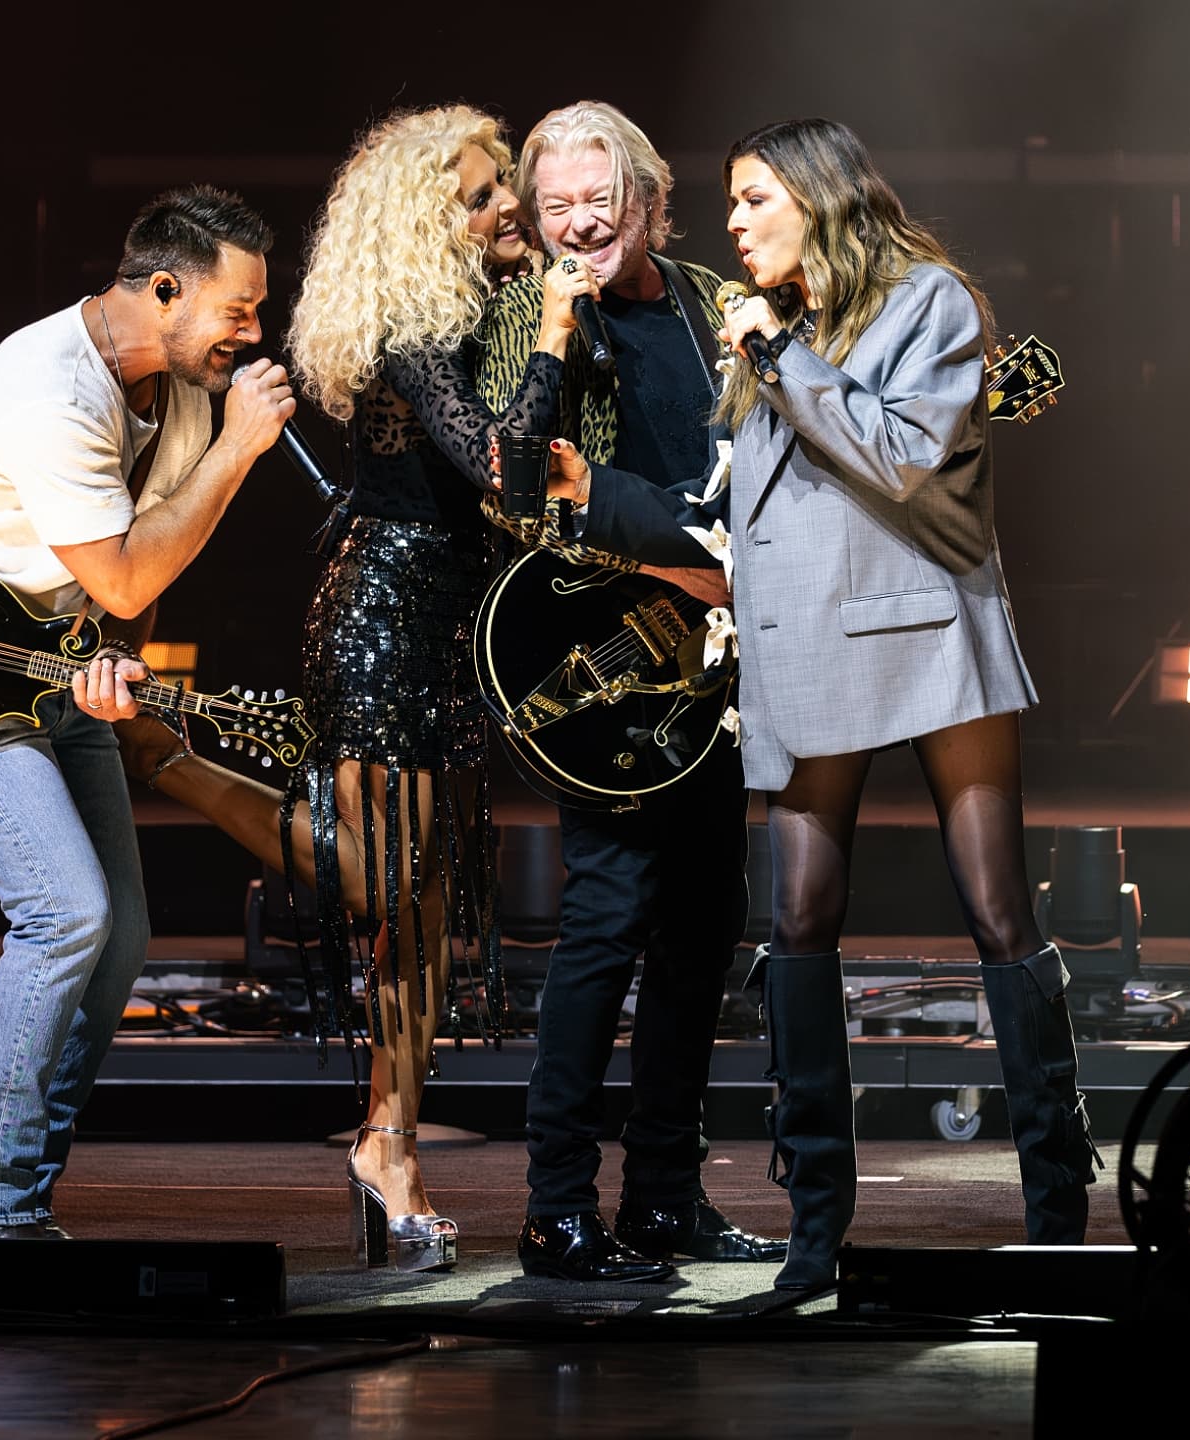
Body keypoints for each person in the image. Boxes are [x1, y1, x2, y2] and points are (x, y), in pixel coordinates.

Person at [545, 117, 1102, 1291]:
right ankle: (814, 1235)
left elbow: (900, 454)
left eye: (754, 198)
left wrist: (776, 354)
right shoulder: (778, 329)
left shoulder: (924, 302)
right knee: (797, 919)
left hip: (926, 625)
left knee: (999, 911)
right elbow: (746, 505)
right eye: (731, 201)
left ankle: (1057, 1209)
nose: (733, 223)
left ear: (818, 195)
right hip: (803, 646)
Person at [115, 105, 593, 1271]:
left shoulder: (478, 313)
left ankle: (391, 1148)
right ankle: (173, 764)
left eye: (503, 186)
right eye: (482, 195)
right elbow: (502, 467)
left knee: (425, 905)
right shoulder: (414, 331)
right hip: (382, 616)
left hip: (455, 629)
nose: (508, 206)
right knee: (378, 874)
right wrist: (553, 334)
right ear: (427, 218)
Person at [0, 185, 294, 1237]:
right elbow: (126, 571)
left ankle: (25, 1191)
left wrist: (107, 653)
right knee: (65, 912)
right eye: (238, 311)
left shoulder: (175, 386)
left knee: (120, 937)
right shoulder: (51, 390)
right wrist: (238, 450)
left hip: (46, 663)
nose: (253, 335)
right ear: (166, 290)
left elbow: (138, 570)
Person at [476, 101, 787, 1283]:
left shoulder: (715, 302)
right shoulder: (528, 316)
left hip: (715, 660)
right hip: (604, 650)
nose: (579, 222)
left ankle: (665, 1197)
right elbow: (518, 490)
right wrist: (678, 566)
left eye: (599, 200)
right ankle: (557, 1207)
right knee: (606, 917)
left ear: (651, 201)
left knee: (705, 921)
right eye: (555, 205)